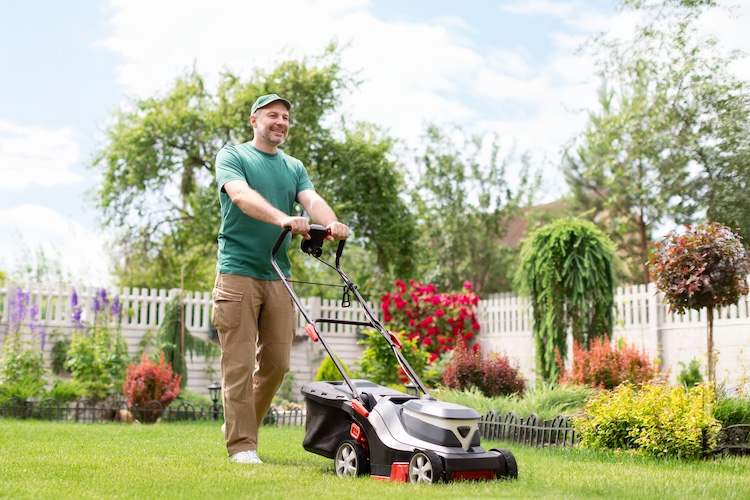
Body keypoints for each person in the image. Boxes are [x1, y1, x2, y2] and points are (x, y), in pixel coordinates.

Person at [212, 93, 350, 464]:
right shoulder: (233, 156)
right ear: (254, 120)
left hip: (278, 277)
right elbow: (240, 196)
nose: (280, 122)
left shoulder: (293, 166)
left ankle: (241, 428)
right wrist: (282, 219)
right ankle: (242, 446)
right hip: (237, 274)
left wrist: (331, 222)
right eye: (272, 115)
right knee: (238, 364)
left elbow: (311, 199)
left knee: (277, 363)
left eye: (285, 117)